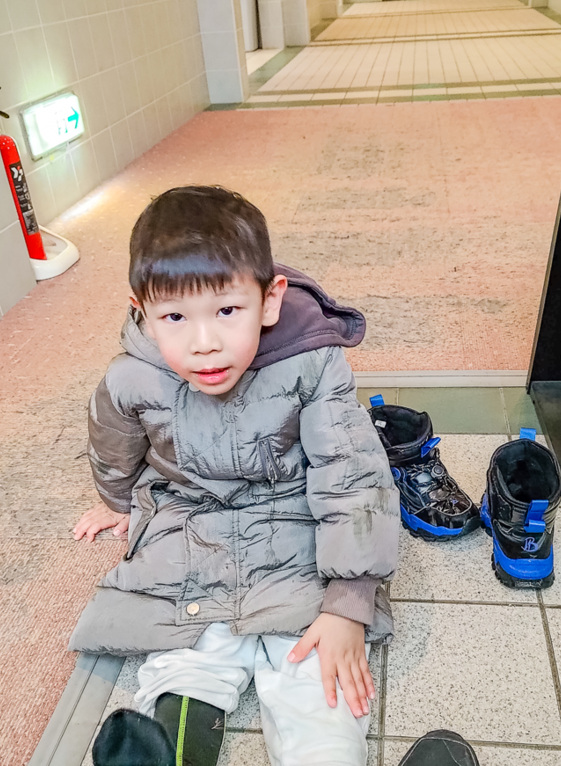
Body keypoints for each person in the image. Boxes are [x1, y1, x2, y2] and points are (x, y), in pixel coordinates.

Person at [70, 186, 400, 766]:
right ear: (140, 311)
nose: (205, 343)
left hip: (295, 529)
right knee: (184, 658)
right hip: (187, 531)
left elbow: (352, 474)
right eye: (174, 317)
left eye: (227, 311)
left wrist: (350, 600)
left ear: (269, 300)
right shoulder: (131, 376)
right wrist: (116, 501)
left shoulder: (313, 361)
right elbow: (112, 436)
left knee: (318, 679)